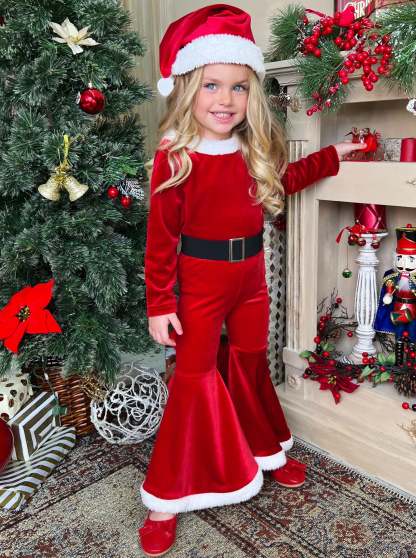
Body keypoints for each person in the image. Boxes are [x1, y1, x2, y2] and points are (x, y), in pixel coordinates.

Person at [139, 4, 367, 556]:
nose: (226, 99)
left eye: (239, 87)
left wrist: (334, 155)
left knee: (248, 363)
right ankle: (166, 495)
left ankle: (265, 449)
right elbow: (160, 240)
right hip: (198, 282)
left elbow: (286, 180)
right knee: (194, 376)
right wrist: (159, 303)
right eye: (212, 85)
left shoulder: (250, 148)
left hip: (250, 280)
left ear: (251, 94)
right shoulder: (175, 157)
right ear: (187, 88)